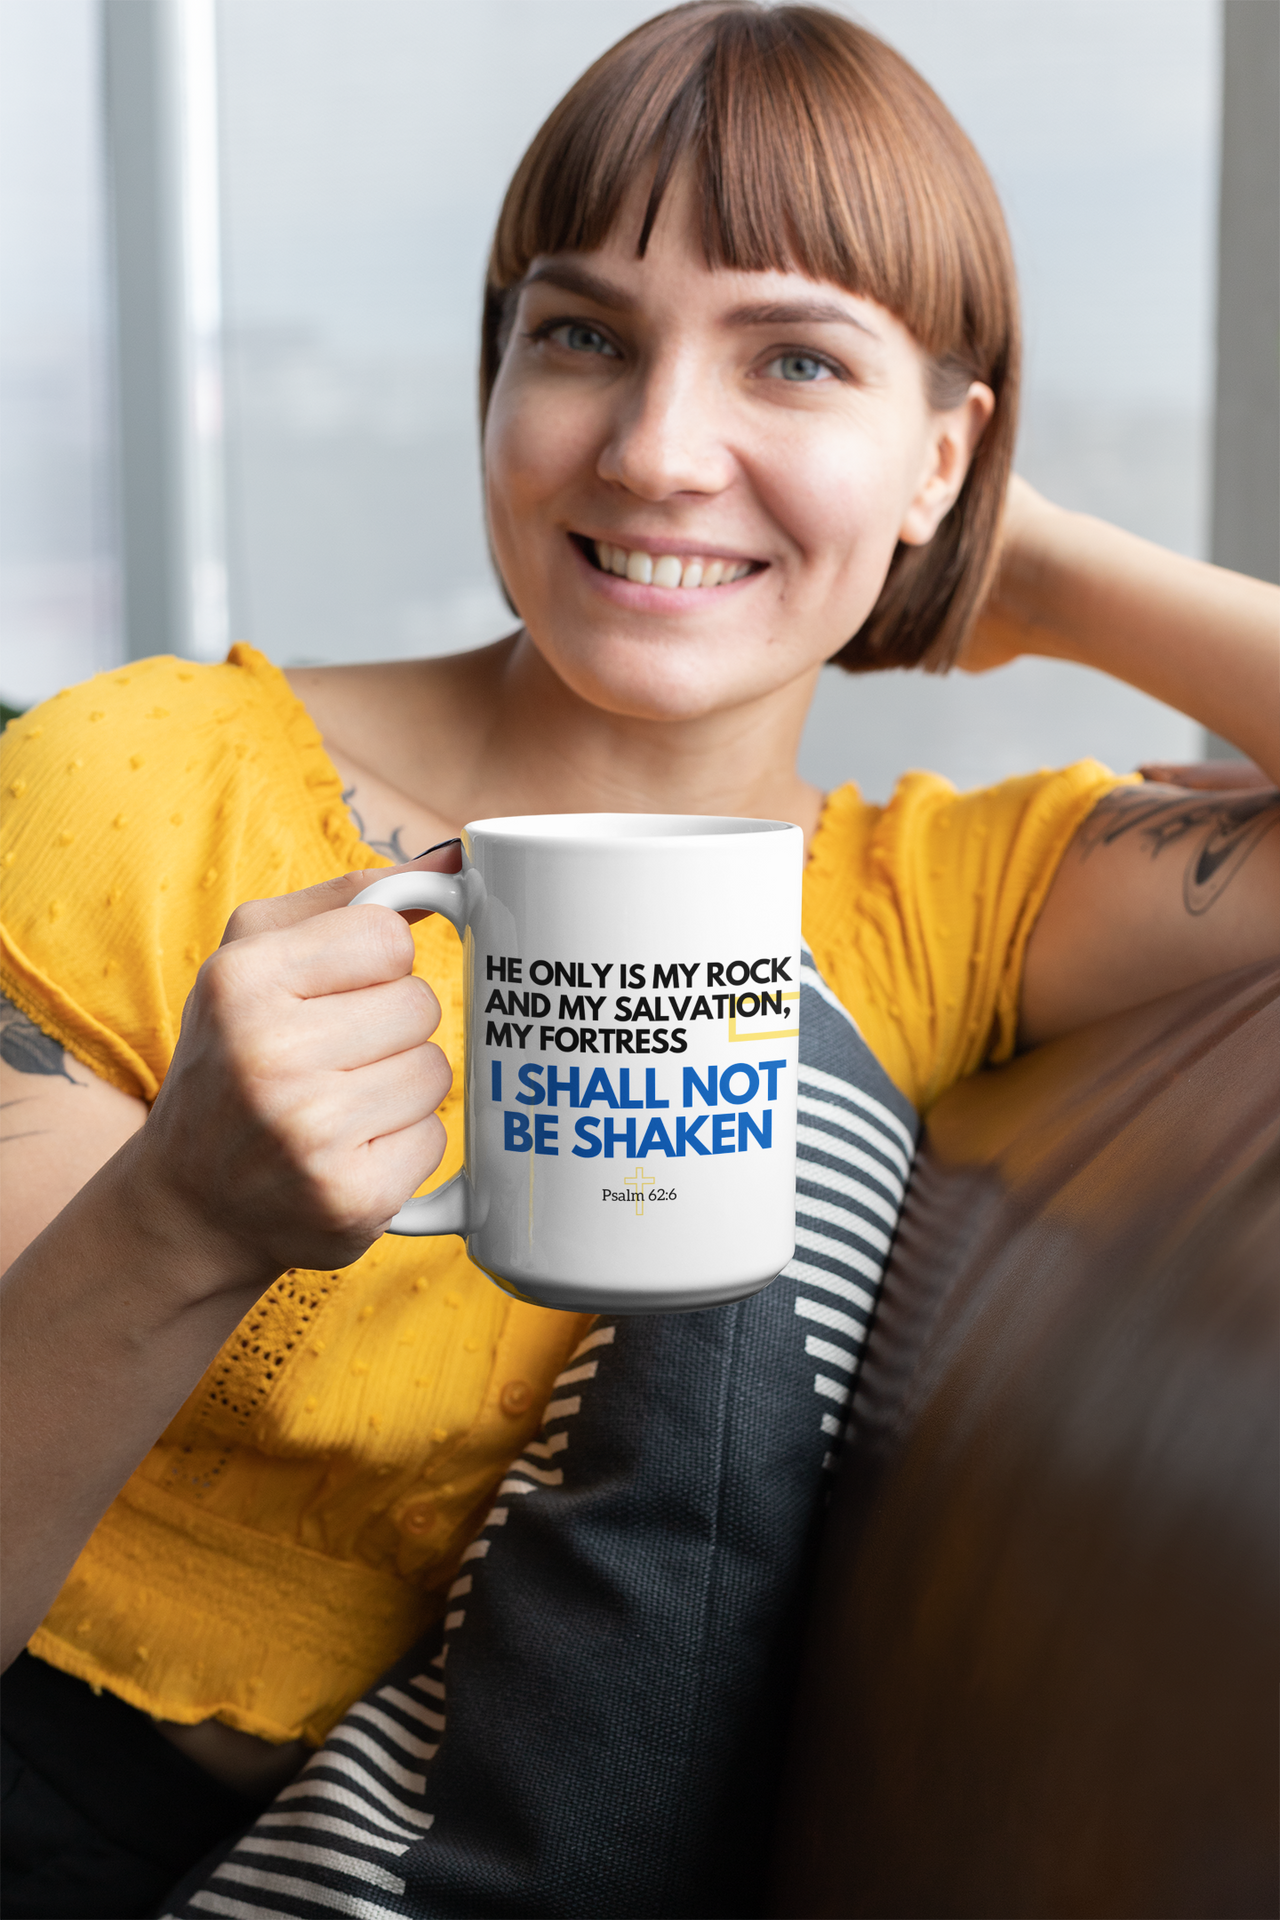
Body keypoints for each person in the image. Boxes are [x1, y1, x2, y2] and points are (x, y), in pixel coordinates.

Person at [2, 3, 1277, 1913]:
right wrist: (181, 1218)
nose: (664, 449)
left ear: (947, 451)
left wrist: (1034, 563)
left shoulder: (939, 907)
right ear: (497, 381)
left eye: (797, 361)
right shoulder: (140, 780)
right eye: (584, 335)